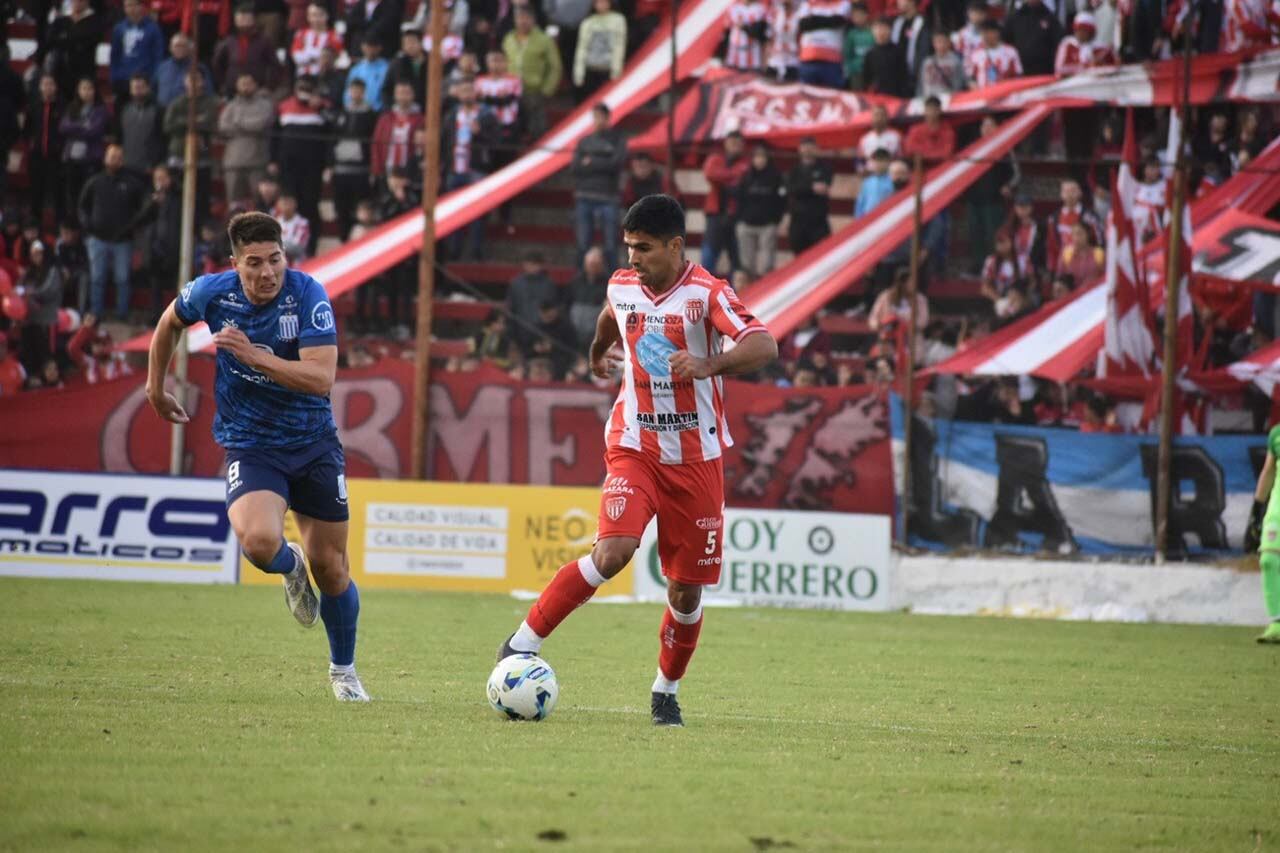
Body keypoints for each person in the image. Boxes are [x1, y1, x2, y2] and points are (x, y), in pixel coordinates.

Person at [495, 194, 778, 727]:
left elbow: (764, 345)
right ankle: (519, 644)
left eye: (643, 249)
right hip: (634, 444)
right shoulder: (623, 284)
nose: (632, 259)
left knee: (684, 590)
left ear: (676, 245)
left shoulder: (708, 294)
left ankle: (665, 690)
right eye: (628, 248)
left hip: (697, 459)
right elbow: (611, 316)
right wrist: (596, 353)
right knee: (613, 552)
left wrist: (708, 362)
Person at [145, 211, 368, 701]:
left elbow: (321, 378)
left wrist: (254, 355)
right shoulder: (211, 292)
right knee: (260, 542)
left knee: (331, 567)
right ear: (235, 263)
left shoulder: (309, 295)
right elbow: (168, 322)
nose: (268, 272)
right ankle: (290, 571)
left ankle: (344, 671)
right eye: (254, 263)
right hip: (252, 444)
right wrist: (155, 388)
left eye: (275, 259)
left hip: (313, 444)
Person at [79, 144, 147, 320]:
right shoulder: (95, 181)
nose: (114, 160)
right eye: (111, 156)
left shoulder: (131, 184)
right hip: (97, 238)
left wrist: (132, 226)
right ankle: (96, 313)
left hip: (122, 240)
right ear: (105, 158)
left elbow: (142, 207)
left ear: (122, 160)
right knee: (97, 278)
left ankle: (122, 313)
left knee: (122, 279)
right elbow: (82, 205)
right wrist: (88, 226)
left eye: (117, 156)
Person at [571, 104, 627, 266]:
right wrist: (603, 160)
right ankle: (581, 282)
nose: (597, 121)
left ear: (608, 118)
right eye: (595, 117)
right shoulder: (584, 141)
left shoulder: (617, 139)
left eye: (600, 117)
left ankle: (613, 283)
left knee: (611, 245)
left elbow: (616, 164)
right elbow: (575, 167)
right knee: (582, 244)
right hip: (584, 196)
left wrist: (591, 161)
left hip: (608, 197)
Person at [504, 5, 562, 141]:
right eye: (519, 18)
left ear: (533, 20)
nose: (522, 21)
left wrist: (547, 90)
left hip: (534, 92)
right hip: (511, 93)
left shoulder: (544, 40)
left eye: (526, 18)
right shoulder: (509, 38)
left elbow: (555, 67)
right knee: (514, 131)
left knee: (537, 130)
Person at [60, 77, 111, 227]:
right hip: (72, 158)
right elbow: (63, 127)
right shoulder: (72, 107)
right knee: (72, 195)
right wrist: (82, 125)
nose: (87, 92)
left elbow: (95, 131)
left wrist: (74, 128)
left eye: (90, 88)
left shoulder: (100, 110)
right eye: (83, 88)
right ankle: (73, 225)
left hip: (90, 160)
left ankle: (88, 227)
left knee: (89, 195)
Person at [218, 73, 276, 206]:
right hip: (233, 161)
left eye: (248, 84)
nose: (245, 87)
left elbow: (261, 124)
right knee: (234, 203)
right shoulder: (231, 106)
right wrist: (248, 126)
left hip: (257, 161)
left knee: (259, 201)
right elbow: (223, 126)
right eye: (242, 84)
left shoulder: (265, 105)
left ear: (255, 85)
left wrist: (238, 123)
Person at [701, 131, 750, 274]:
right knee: (709, 256)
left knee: (736, 259)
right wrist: (733, 175)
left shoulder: (745, 163)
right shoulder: (716, 158)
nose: (735, 146)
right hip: (715, 214)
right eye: (732, 143)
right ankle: (705, 291)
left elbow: (742, 179)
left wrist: (723, 176)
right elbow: (710, 174)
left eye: (738, 143)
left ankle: (735, 294)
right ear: (726, 144)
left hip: (736, 215)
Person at [734, 143, 785, 279]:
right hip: (747, 224)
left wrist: (776, 220)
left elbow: (782, 200)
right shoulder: (746, 176)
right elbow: (739, 197)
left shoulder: (775, 176)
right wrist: (740, 219)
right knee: (746, 266)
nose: (760, 160)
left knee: (767, 265)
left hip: (767, 225)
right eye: (757, 157)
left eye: (762, 157)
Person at [212, 5, 283, 97]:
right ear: (235, 21)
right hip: (232, 89)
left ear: (253, 20)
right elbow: (217, 63)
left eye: (246, 20)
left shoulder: (264, 41)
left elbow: (275, 65)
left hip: (257, 90)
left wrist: (269, 87)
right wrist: (223, 84)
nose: (243, 24)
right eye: (240, 20)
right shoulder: (229, 41)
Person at [109, 0, 165, 105]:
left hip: (145, 79)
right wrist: (114, 77)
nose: (132, 8)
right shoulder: (119, 28)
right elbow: (114, 55)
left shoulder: (153, 28)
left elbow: (158, 55)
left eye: (135, 5)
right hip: (123, 79)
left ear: (141, 6)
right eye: (128, 6)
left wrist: (153, 78)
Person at [25, 74, 65, 222]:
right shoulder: (34, 105)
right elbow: (27, 129)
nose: (48, 87)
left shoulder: (62, 105)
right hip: (37, 156)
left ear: (55, 87)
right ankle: (35, 226)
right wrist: (31, 144)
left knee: (57, 193)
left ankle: (60, 227)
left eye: (51, 84)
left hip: (56, 156)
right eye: (45, 84)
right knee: (36, 193)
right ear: (40, 87)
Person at [786, 136, 833, 254]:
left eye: (811, 147)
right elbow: (791, 189)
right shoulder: (794, 170)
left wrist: (803, 188)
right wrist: (811, 188)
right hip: (798, 222)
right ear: (799, 149)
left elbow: (824, 186)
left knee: (821, 256)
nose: (807, 150)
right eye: (804, 147)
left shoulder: (825, 168)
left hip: (818, 222)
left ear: (816, 149)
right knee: (799, 259)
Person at [573, 0, 627, 101]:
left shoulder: (618, 20)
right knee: (591, 100)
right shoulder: (588, 22)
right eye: (598, 2)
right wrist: (579, 72)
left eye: (604, 2)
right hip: (591, 68)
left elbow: (619, 46)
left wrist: (616, 70)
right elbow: (582, 48)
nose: (601, 4)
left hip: (608, 69)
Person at [117, 76, 165, 179]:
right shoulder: (125, 109)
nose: (137, 91)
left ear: (148, 88)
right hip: (127, 166)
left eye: (140, 87)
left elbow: (163, 139)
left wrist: (157, 163)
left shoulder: (158, 110)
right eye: (134, 87)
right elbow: (121, 137)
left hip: (149, 168)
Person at [795, 0, 851, 87]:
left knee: (831, 96)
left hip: (832, 61)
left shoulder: (843, 3)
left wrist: (813, 20)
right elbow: (803, 25)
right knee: (807, 97)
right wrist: (829, 21)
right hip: (808, 60)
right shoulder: (808, 3)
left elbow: (838, 21)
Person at [154, 34, 214, 109]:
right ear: (170, 48)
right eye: (176, 46)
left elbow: (208, 92)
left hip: (186, 113)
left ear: (188, 48)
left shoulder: (198, 68)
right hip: (163, 111)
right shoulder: (162, 67)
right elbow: (154, 88)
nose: (179, 49)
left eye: (183, 46)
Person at [567, 246, 610, 344]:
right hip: (574, 330)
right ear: (585, 264)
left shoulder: (609, 284)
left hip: (595, 332)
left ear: (602, 265)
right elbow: (567, 303)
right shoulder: (575, 282)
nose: (592, 267)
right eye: (590, 264)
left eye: (596, 264)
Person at [290, 2, 345, 77]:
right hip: (303, 76)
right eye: (313, 15)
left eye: (320, 15)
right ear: (308, 17)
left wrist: (308, 55)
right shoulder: (301, 34)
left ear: (327, 16)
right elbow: (296, 57)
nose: (316, 19)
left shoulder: (334, 36)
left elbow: (333, 58)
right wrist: (317, 56)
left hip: (325, 78)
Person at [966, 21, 1022, 89]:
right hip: (984, 95)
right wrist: (975, 88)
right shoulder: (975, 54)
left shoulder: (1011, 51)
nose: (985, 35)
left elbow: (1018, 75)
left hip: (1006, 94)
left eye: (988, 32)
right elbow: (971, 78)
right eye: (983, 32)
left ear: (997, 33)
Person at [860, 17, 906, 96]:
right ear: (872, 31)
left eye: (883, 28)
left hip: (895, 97)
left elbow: (903, 77)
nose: (880, 32)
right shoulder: (870, 54)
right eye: (877, 28)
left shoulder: (898, 51)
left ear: (890, 30)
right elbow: (866, 80)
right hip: (877, 97)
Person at [902, 96, 955, 163]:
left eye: (935, 110)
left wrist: (925, 155)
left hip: (941, 165)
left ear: (940, 111)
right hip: (920, 165)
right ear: (925, 111)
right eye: (929, 109)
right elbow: (910, 150)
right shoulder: (915, 130)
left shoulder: (947, 130)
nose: (932, 113)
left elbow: (947, 153)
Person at [919, 30, 967, 97]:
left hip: (948, 99)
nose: (941, 45)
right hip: (930, 100)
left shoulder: (956, 61)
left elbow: (959, 85)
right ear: (933, 43)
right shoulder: (927, 62)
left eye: (944, 41)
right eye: (938, 41)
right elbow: (921, 85)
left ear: (949, 43)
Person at [726, 0, 770, 72]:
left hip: (755, 37)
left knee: (755, 51)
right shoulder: (736, 7)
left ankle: (756, 67)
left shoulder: (760, 7)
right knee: (739, 50)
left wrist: (757, 30)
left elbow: (764, 23)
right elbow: (736, 22)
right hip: (740, 37)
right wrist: (746, 28)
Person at [842, 2, 873, 88]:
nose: (857, 19)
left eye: (860, 15)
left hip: (872, 72)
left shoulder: (873, 32)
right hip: (856, 73)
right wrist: (850, 69)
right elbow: (847, 54)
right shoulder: (851, 34)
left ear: (866, 15)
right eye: (854, 16)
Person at [855, 148, 893, 217]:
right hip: (868, 217)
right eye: (876, 160)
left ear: (888, 162)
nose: (879, 164)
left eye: (882, 161)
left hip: (886, 217)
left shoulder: (892, 181)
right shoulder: (867, 182)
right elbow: (860, 203)